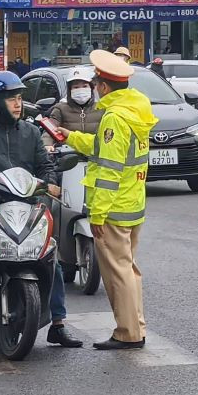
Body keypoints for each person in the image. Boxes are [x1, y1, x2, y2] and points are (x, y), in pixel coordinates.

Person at [0, 71, 81, 354]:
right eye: (11, 99)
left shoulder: (31, 132)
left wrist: (52, 183)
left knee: (51, 261)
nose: (18, 104)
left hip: (30, 209)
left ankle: (57, 323)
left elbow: (45, 165)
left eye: (20, 98)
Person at [57, 50, 158, 350]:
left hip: (113, 207)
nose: (92, 88)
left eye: (96, 82)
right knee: (129, 269)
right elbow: (105, 148)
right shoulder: (136, 110)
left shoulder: (114, 117)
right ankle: (135, 326)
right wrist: (71, 137)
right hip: (133, 202)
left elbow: (109, 171)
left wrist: (97, 215)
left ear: (102, 87)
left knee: (117, 274)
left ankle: (128, 333)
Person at [43, 67, 103, 149]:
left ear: (91, 88)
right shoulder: (61, 108)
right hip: (69, 155)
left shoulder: (101, 108)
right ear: (70, 90)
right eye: (76, 87)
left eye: (84, 86)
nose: (81, 90)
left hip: (94, 153)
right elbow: (51, 129)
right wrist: (47, 144)